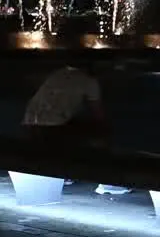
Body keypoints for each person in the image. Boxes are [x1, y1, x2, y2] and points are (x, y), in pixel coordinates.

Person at [21, 62, 123, 193]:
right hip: (53, 128)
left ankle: (61, 172)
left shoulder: (57, 73)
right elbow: (97, 112)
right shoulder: (89, 81)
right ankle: (109, 181)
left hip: (28, 124)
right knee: (101, 132)